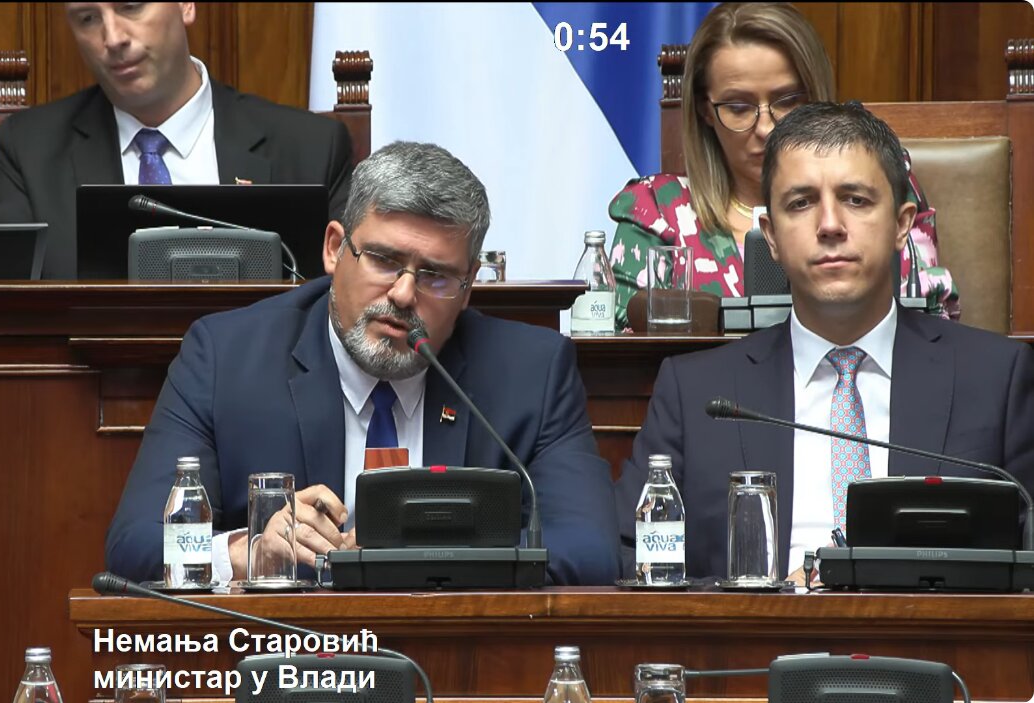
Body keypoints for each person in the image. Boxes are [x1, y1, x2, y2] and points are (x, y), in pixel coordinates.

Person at [105, 141, 620, 586]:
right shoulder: (227, 358)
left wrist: (432, 561)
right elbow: (135, 545)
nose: (403, 294)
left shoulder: (532, 372)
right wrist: (250, 551)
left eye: (436, 276)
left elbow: (591, 550)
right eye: (384, 261)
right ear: (334, 249)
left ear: (467, 291)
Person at [614, 101, 1034, 581]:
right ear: (771, 236)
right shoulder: (697, 394)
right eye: (801, 203)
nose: (830, 225)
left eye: (856, 199)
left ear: (902, 224)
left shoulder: (996, 379)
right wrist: (764, 596)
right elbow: (635, 560)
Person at [608, 2, 958, 329]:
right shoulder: (658, 210)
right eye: (738, 107)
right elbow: (626, 344)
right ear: (704, 110)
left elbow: (931, 321)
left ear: (816, 95)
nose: (766, 128)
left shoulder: (881, 185)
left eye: (787, 101)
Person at [0, 2, 352, 279]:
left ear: (186, 6)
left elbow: (348, 302)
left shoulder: (311, 148)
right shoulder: (28, 151)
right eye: (87, 18)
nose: (112, 38)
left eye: (131, 7)